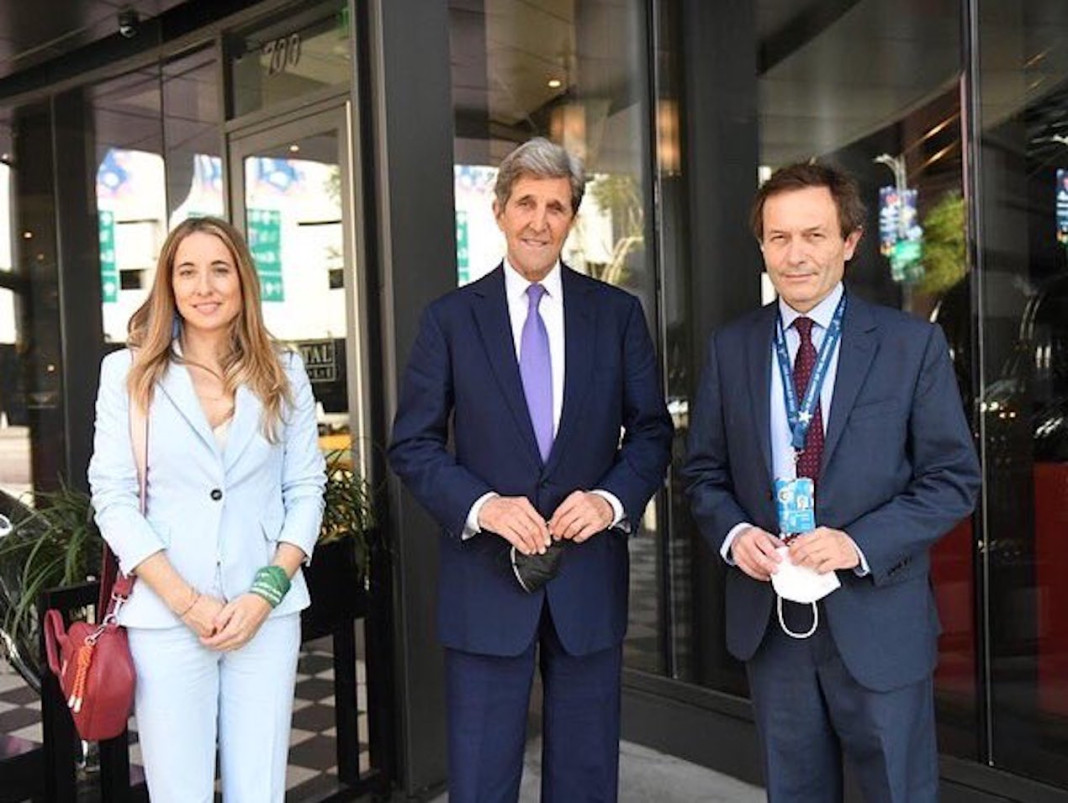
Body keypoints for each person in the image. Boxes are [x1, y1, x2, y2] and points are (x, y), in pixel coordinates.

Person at [682, 162, 981, 802]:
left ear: (849, 242)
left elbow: (953, 479)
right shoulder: (730, 348)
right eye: (779, 237)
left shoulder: (910, 346)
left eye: (814, 236)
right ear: (761, 245)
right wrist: (735, 535)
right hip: (774, 625)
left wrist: (857, 544)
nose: (795, 255)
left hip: (879, 620)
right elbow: (703, 472)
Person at [389, 137, 673, 802]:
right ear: (498, 211)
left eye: (556, 206)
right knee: (482, 780)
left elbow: (652, 431)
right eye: (526, 203)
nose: (539, 220)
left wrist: (609, 499)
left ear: (571, 217)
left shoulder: (617, 315)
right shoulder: (450, 319)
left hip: (587, 581)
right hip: (485, 580)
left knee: (585, 777)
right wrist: (484, 505)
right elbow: (414, 442)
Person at [88, 216, 325, 802]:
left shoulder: (284, 371)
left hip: (263, 615)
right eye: (186, 271)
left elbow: (306, 489)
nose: (204, 287)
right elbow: (112, 497)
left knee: (260, 789)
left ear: (243, 280)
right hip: (168, 616)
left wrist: (264, 593)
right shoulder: (127, 374)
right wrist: (187, 602)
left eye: (220, 270)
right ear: (168, 285)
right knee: (179, 791)